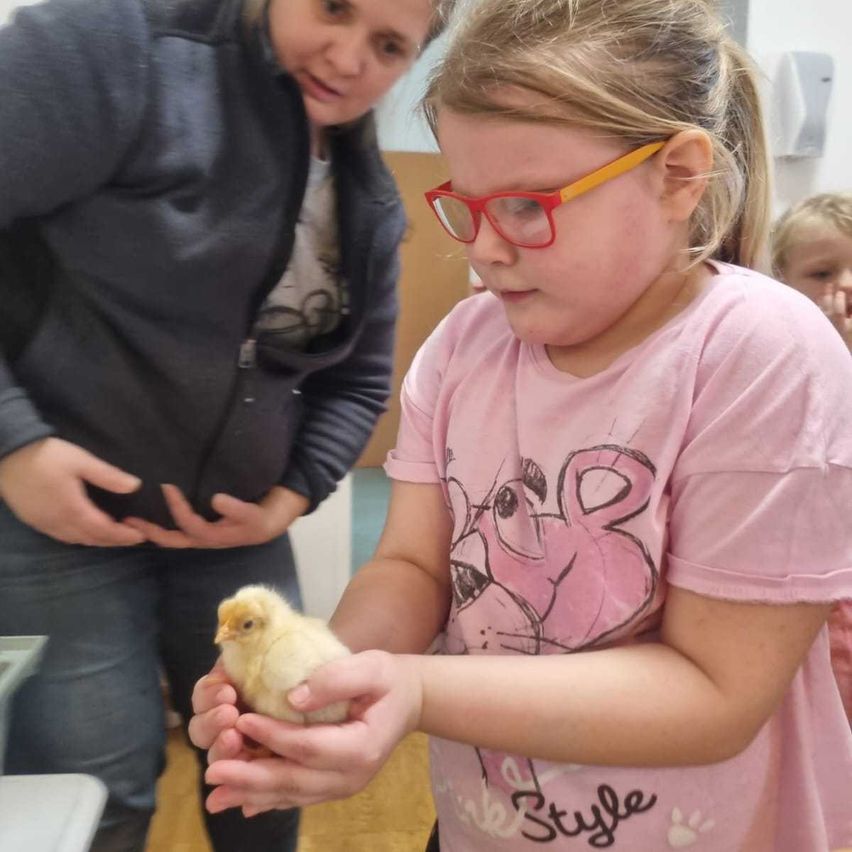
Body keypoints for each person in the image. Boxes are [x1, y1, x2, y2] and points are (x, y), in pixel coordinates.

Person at [189, 1, 852, 849]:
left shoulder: (759, 353)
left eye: (529, 207)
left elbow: (716, 694)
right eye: (466, 206)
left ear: (679, 176)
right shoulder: (465, 346)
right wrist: (319, 680)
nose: (486, 250)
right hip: (484, 827)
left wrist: (417, 691)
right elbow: (412, 566)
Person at [0, 0, 454, 848]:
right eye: (333, 8)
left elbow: (358, 380)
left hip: (234, 544)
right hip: (58, 532)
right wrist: (14, 441)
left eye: (389, 46)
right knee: (96, 792)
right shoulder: (111, 51)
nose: (351, 56)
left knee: (266, 770)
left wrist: (290, 497)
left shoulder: (367, 200)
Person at [773, 191, 852, 722]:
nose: (843, 286)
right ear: (780, 286)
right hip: (813, 610)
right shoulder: (780, 365)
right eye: (822, 271)